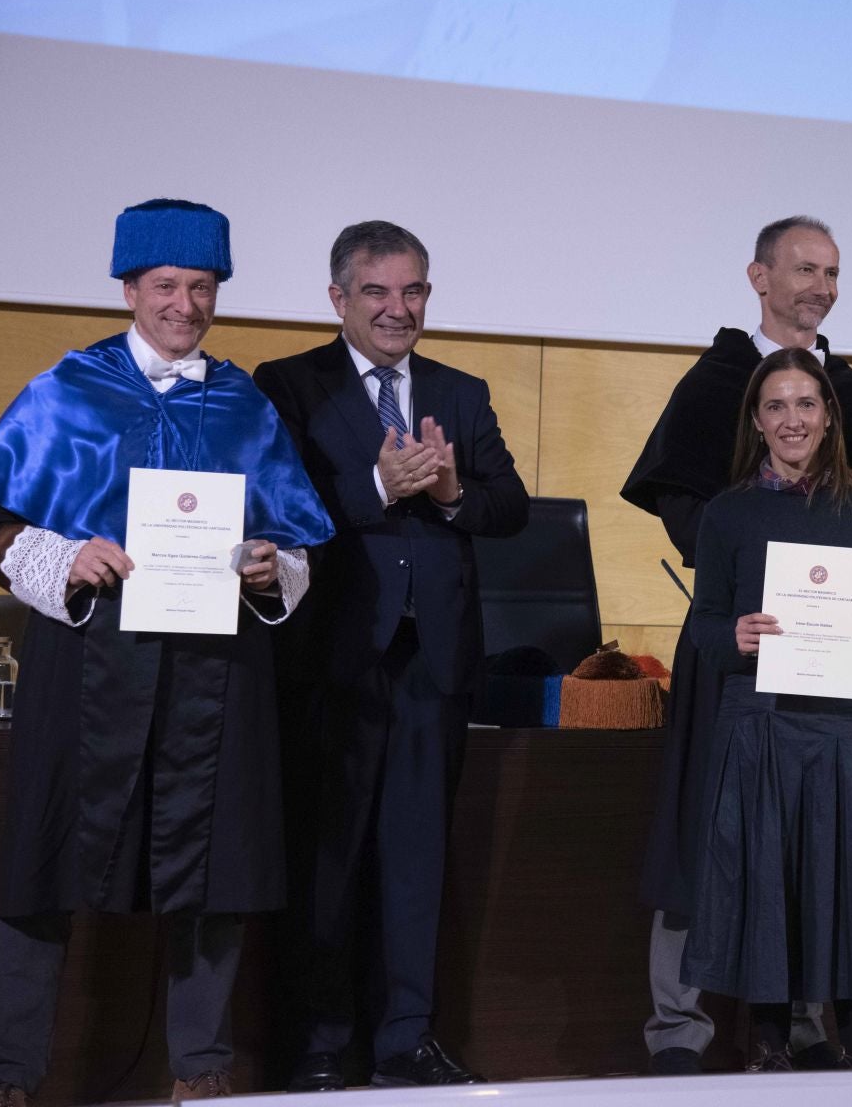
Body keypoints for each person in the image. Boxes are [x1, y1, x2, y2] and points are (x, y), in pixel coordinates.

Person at [0, 200, 334, 1107]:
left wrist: (264, 566)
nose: (184, 305)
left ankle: (199, 1069)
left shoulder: (243, 402)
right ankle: (9, 1075)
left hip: (215, 674)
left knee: (214, 868)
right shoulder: (66, 389)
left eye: (201, 287)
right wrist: (67, 555)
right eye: (166, 286)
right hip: (87, 663)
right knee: (42, 864)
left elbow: (297, 548)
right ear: (130, 288)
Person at [621, 215, 852, 1072]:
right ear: (758, 277)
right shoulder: (722, 379)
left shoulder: (836, 388)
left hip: (826, 694)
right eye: (804, 269)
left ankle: (801, 1026)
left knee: (802, 851)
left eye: (832, 272)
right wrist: (751, 571)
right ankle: (681, 1034)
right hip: (741, 673)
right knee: (707, 839)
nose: (820, 287)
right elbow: (688, 509)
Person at [253, 221, 530, 1090]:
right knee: (328, 856)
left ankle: (405, 1037)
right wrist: (378, 487)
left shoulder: (462, 389)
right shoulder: (289, 385)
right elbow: (282, 505)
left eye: (412, 291)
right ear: (338, 299)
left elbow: (510, 505)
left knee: (417, 855)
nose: (396, 308)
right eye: (376, 292)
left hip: (434, 661)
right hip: (332, 656)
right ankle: (323, 1043)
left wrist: (451, 493)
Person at [680, 347, 852, 1068]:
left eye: (805, 405)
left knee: (851, 886)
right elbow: (704, 623)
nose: (791, 420)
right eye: (775, 407)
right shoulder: (727, 513)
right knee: (763, 882)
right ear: (757, 422)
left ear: (827, 418)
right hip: (758, 724)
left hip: (845, 730)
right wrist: (732, 635)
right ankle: (765, 1046)